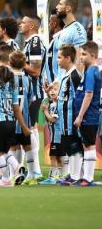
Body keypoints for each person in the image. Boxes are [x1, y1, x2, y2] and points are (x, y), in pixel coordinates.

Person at [0, 66, 31, 187]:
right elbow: (17, 110)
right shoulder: (13, 90)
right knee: (4, 151)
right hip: (12, 124)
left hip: (0, 124)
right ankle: (17, 166)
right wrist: (23, 126)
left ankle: (5, 179)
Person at [19, 15, 46, 179]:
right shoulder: (30, 43)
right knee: (31, 128)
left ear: (32, 25)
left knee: (30, 128)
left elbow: (36, 71)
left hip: (33, 92)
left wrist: (18, 63)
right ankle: (33, 169)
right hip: (29, 92)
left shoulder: (35, 43)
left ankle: (35, 170)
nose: (20, 24)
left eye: (23, 22)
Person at [73, 41, 101, 186]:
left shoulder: (91, 72)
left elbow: (88, 94)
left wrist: (80, 116)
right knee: (86, 144)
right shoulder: (89, 70)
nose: (81, 57)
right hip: (89, 115)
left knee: (89, 145)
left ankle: (88, 178)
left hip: (89, 116)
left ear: (93, 55)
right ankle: (85, 176)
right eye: (80, 54)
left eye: (84, 54)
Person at [56, 45, 82, 185]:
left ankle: (76, 175)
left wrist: (79, 116)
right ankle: (73, 174)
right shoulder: (66, 75)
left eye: (60, 57)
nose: (57, 60)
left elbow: (79, 97)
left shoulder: (74, 76)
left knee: (74, 145)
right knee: (69, 145)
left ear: (68, 58)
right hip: (64, 118)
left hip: (71, 117)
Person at [8, 51, 35, 185]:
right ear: (24, 64)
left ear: (9, 63)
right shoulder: (28, 80)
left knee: (13, 147)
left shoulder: (8, 79)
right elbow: (30, 99)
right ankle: (31, 175)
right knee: (27, 146)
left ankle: (15, 174)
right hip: (25, 119)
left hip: (12, 120)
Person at [55, 0, 87, 79]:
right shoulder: (65, 29)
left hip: (71, 86)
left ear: (68, 8)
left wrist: (77, 87)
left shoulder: (77, 29)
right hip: (62, 83)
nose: (56, 7)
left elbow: (80, 60)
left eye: (60, 4)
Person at [40, 81, 63, 185]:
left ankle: (54, 177)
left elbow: (53, 120)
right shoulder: (52, 103)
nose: (52, 92)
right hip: (55, 135)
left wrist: (45, 111)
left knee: (54, 156)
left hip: (58, 136)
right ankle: (60, 176)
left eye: (55, 90)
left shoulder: (57, 104)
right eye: (50, 90)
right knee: (57, 156)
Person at [44, 10, 64, 85]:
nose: (49, 25)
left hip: (57, 86)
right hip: (52, 85)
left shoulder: (60, 39)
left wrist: (57, 82)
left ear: (55, 24)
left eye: (50, 22)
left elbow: (63, 62)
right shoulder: (55, 39)